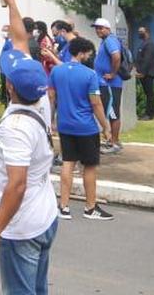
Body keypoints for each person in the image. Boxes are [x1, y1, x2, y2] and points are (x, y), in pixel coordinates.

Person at [0, 49, 57, 295]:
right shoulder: (41, 105)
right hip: (44, 216)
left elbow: (17, 184)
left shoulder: (16, 128)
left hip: (22, 227)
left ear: (10, 86)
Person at [47, 37, 114, 221]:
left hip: (65, 125)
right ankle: (90, 207)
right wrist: (106, 127)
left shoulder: (56, 71)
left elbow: (51, 97)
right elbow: (96, 103)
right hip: (86, 127)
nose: (90, 57)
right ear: (82, 53)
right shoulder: (90, 74)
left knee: (68, 162)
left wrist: (51, 120)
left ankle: (64, 206)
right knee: (89, 166)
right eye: (89, 54)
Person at [91, 18, 124, 154]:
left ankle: (114, 143)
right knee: (110, 111)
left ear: (108, 29)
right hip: (106, 83)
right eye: (97, 28)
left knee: (113, 112)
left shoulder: (110, 40)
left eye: (101, 28)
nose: (98, 30)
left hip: (110, 83)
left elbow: (116, 57)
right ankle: (112, 141)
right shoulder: (105, 40)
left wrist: (112, 73)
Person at [134, 26, 154, 119]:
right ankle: (147, 113)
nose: (139, 33)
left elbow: (147, 60)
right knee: (148, 94)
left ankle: (149, 114)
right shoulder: (144, 43)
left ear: (147, 32)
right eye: (139, 31)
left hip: (148, 73)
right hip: (143, 73)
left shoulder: (150, 44)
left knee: (150, 94)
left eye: (141, 31)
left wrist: (142, 72)